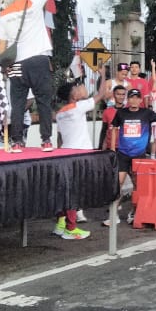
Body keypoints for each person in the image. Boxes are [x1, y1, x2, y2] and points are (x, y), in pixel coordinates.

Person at [0, 0, 67, 152]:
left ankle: (17, 142)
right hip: (38, 60)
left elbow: (2, 46)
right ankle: (46, 141)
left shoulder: (3, 15)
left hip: (16, 64)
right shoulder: (33, 4)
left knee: (18, 103)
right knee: (43, 101)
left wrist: (5, 67)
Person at [51, 79, 110, 240]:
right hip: (80, 156)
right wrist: (102, 74)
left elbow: (59, 138)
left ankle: (61, 223)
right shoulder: (78, 107)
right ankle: (71, 228)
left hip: (65, 154)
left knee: (65, 191)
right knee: (74, 192)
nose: (79, 89)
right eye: (76, 88)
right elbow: (101, 94)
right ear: (73, 95)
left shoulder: (60, 113)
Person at [108, 88, 156, 225]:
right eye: (131, 97)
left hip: (139, 156)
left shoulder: (147, 113)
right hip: (123, 154)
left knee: (138, 185)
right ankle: (113, 214)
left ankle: (134, 211)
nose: (134, 100)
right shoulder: (121, 113)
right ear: (128, 99)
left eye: (137, 97)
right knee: (117, 183)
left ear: (140, 100)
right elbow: (114, 129)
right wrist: (113, 149)